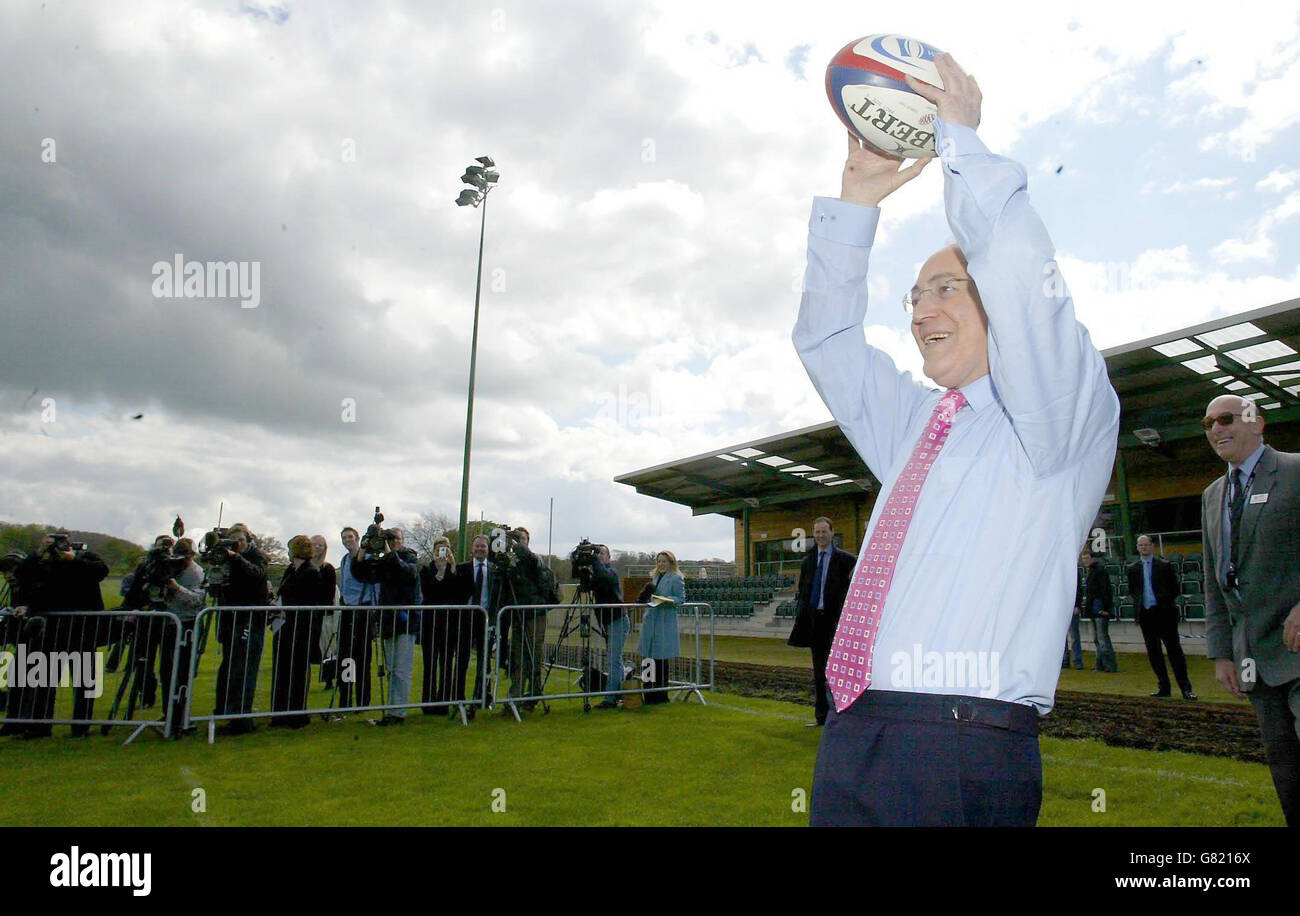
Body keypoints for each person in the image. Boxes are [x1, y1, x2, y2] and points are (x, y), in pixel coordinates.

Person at [792, 51, 1119, 826]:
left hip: (958, 746)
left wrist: (962, 146)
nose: (920, 309)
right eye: (914, 295)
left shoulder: (1061, 422)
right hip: (854, 728)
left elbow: (1019, 278)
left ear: (995, 303)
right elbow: (827, 340)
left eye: (946, 287)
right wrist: (855, 202)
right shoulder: (917, 424)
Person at [1201, 393, 1300, 826]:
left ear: (1257, 423)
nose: (1216, 429)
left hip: (1296, 646)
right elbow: (1213, 576)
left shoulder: (1296, 471)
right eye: (1208, 424)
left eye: (1225, 419)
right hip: (1252, 656)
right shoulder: (1212, 495)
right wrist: (1222, 651)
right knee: (1285, 766)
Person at [1, 534, 109, 738]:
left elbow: (101, 571)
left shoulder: (84, 557)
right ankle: (40, 726)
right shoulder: (44, 563)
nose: (59, 547)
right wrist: (40, 552)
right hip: (54, 629)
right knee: (44, 680)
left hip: (83, 628)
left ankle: (81, 726)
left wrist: (73, 558)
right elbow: (24, 575)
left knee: (84, 681)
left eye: (62, 543)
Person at [787, 517, 856, 726]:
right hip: (815, 622)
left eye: (824, 532)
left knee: (839, 670)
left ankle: (843, 714)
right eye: (816, 532)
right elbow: (804, 592)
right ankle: (822, 717)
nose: (820, 536)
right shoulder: (808, 561)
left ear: (832, 532)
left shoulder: (847, 560)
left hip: (836, 623)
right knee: (819, 671)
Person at [351, 527, 422, 725]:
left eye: (395, 539)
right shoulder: (384, 561)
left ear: (402, 540)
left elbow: (407, 573)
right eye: (388, 540)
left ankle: (398, 711)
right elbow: (363, 574)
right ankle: (392, 709)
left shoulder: (409, 558)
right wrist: (364, 548)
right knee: (391, 668)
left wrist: (389, 553)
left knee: (401, 669)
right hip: (389, 619)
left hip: (406, 619)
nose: (392, 543)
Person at [212, 523, 269, 736]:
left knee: (244, 669)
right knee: (228, 668)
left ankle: (241, 718)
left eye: (240, 540)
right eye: (232, 541)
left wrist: (236, 557)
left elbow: (258, 573)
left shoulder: (257, 555)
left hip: (250, 622)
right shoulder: (226, 559)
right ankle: (225, 712)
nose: (237, 545)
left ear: (247, 539)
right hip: (230, 620)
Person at [1127, 534, 1194, 699]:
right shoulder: (1133, 568)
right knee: (1154, 652)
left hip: (1164, 613)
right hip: (1146, 614)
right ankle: (1163, 686)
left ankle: (1185, 688)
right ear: (1137, 547)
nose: (1143, 547)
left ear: (1152, 546)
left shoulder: (1164, 566)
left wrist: (1164, 602)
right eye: (1141, 545)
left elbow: (1174, 588)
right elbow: (1133, 591)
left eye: (1146, 545)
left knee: (1174, 650)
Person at [270, 535, 324, 729]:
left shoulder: (310, 572)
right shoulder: (292, 570)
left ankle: (296, 713)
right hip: (285, 626)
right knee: (282, 670)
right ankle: (280, 712)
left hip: (300, 628)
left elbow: (306, 600)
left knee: (297, 670)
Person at [158, 538, 205, 736]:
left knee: (183, 672)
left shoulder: (197, 572)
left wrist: (176, 588)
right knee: (167, 671)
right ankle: (168, 712)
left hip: (187, 624)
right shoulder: (169, 567)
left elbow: (198, 601)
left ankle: (180, 715)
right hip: (169, 623)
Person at [419, 535, 463, 715]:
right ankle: (428, 702)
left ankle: (444, 701)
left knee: (446, 663)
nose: (442, 552)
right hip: (430, 621)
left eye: (445, 548)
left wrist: (450, 568)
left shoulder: (456, 570)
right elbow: (428, 592)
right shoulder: (426, 570)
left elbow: (457, 593)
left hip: (449, 623)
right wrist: (439, 572)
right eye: (439, 549)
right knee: (430, 663)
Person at [336, 526, 378, 712]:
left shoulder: (367, 559)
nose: (348, 540)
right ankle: (345, 699)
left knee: (363, 658)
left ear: (357, 538)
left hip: (364, 610)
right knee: (346, 658)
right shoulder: (344, 560)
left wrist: (374, 609)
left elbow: (375, 585)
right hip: (347, 610)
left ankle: (363, 701)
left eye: (350, 537)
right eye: (344, 537)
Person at [636, 550, 685, 705]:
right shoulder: (654, 578)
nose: (661, 564)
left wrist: (666, 599)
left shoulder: (676, 579)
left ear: (671, 563)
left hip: (664, 622)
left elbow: (680, 599)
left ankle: (660, 695)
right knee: (647, 658)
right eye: (659, 561)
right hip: (650, 620)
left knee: (660, 659)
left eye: (664, 561)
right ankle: (647, 693)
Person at [457, 534, 493, 712]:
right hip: (466, 616)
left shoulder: (493, 570)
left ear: (488, 549)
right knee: (462, 658)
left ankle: (482, 695)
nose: (480, 549)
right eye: (477, 546)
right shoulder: (462, 568)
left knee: (484, 659)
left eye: (483, 547)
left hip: (484, 617)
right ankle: (459, 696)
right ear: (472, 549)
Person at [591, 544, 626, 709]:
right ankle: (618, 694)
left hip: (617, 620)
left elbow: (604, 576)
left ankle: (610, 698)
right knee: (615, 660)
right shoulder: (596, 575)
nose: (599, 556)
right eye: (597, 553)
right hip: (608, 621)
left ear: (609, 557)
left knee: (614, 660)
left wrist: (593, 560)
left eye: (602, 553)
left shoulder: (611, 573)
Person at [308, 534, 337, 689]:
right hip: (307, 614)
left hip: (324, 613)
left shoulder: (328, 569)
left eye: (321, 545)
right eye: (315, 544)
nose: (317, 547)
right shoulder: (303, 566)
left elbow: (329, 592)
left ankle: (328, 679)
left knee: (328, 646)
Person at [1082, 550, 1117, 672]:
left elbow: (1104, 591)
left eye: (1087, 558)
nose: (1085, 561)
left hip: (1099, 609)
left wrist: (1104, 608)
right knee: (1098, 639)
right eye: (1084, 559)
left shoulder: (1099, 571)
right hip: (1094, 609)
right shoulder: (1093, 571)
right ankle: (1102, 663)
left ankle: (1108, 664)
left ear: (1092, 558)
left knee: (1102, 638)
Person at [1063, 565, 1085, 670]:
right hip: (1062, 608)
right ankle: (1064, 660)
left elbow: (1078, 590)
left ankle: (1077, 660)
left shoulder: (1074, 571)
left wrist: (1077, 605)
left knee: (1074, 636)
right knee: (1063, 637)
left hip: (1072, 607)